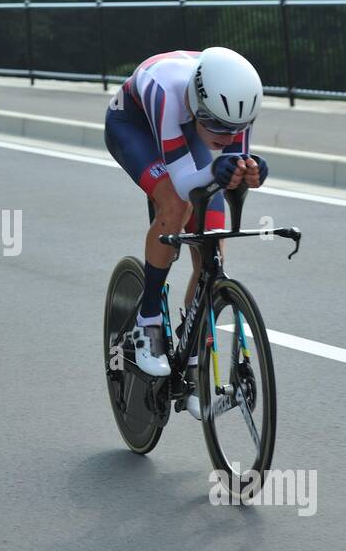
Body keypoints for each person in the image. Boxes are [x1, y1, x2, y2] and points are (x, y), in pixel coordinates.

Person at [104, 46, 269, 414]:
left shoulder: (234, 103)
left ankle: (193, 360)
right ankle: (146, 325)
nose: (226, 136)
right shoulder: (167, 90)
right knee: (176, 207)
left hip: (187, 132)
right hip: (136, 128)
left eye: (236, 129)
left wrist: (250, 173)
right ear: (196, 104)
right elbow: (182, 185)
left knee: (212, 245)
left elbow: (230, 170)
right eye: (217, 126)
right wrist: (218, 171)